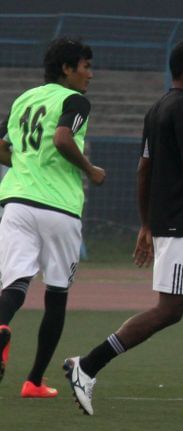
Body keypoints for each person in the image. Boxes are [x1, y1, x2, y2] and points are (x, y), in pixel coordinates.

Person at [63, 40, 183, 417]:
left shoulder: (160, 107)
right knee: (169, 309)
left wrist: (145, 224)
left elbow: (144, 169)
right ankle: (87, 365)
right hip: (181, 224)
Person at [0, 37, 105, 398]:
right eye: (86, 66)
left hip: (16, 203)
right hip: (59, 208)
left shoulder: (23, 100)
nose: (90, 74)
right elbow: (62, 138)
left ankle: (0, 328)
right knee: (56, 295)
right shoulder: (74, 100)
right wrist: (90, 169)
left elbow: (0, 145)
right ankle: (34, 381)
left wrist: (25, 168)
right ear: (66, 68)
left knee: (15, 284)